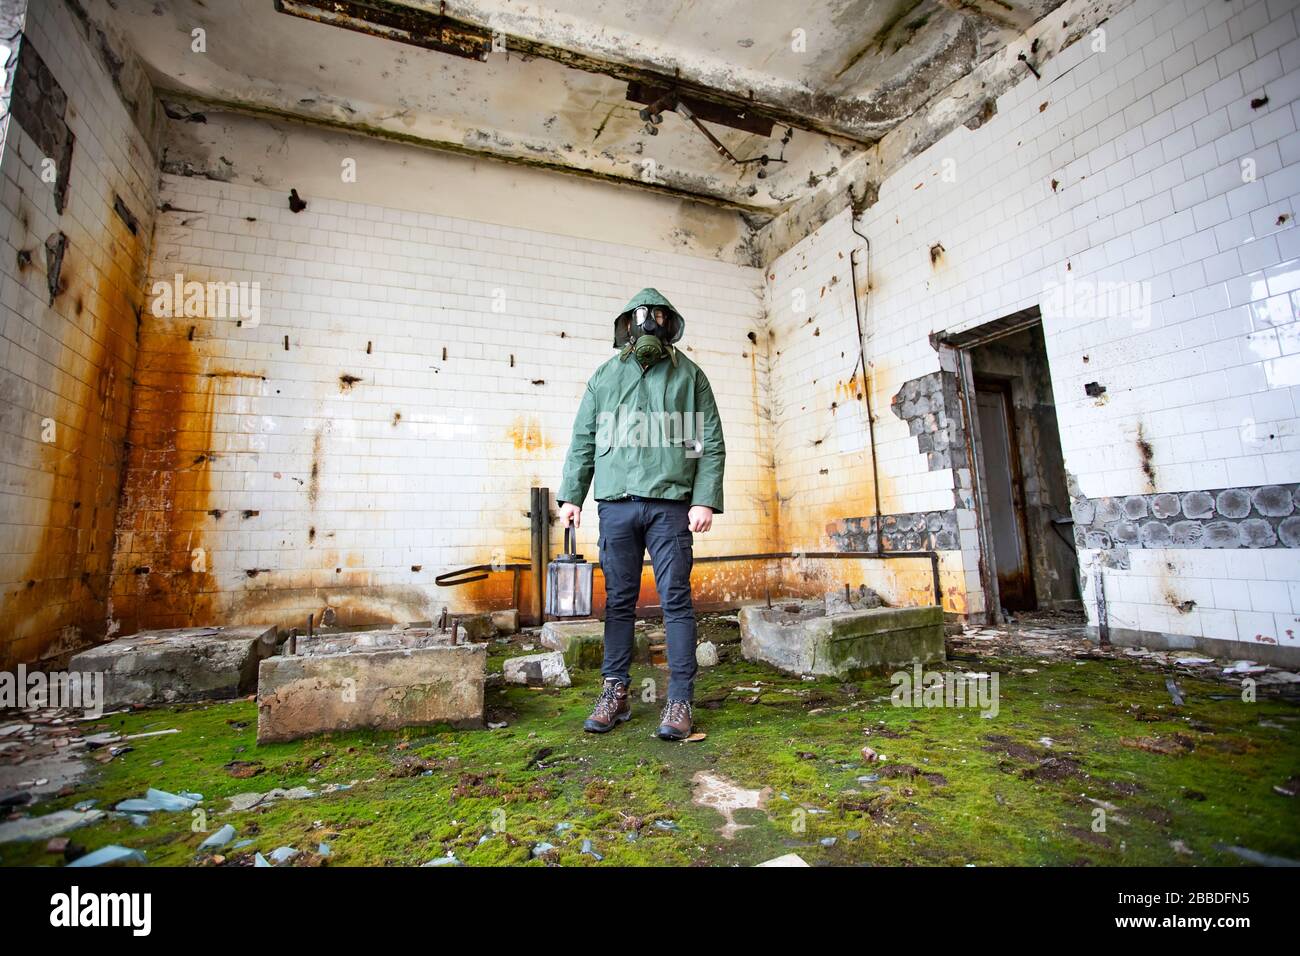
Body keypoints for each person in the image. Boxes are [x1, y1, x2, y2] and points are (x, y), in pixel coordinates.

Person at [556, 288, 725, 741]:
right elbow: (584, 438)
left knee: (675, 601)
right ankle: (616, 692)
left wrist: (703, 498)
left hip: (670, 506)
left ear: (669, 324)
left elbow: (707, 440)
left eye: (656, 317)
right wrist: (572, 495)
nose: (648, 324)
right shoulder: (605, 377)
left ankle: (680, 700)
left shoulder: (690, 377)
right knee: (618, 602)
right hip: (616, 503)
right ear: (627, 325)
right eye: (640, 316)